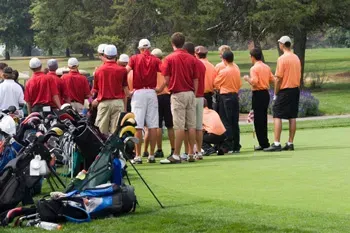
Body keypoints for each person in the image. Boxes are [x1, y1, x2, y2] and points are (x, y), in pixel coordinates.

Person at [158, 32, 199, 164]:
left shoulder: (169, 59)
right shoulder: (192, 58)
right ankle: (192, 153)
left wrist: (171, 87)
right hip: (190, 93)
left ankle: (176, 154)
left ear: (172, 43)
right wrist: (194, 92)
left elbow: (167, 78)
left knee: (179, 126)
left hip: (178, 93)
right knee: (191, 125)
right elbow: (195, 79)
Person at [126, 39, 161, 164]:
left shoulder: (134, 58)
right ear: (150, 48)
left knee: (138, 126)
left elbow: (125, 71)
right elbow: (166, 72)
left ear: (139, 48)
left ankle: (138, 155)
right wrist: (161, 88)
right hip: (151, 92)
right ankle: (151, 155)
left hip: (138, 92)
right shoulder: (156, 60)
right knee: (152, 126)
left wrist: (127, 90)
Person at [264, 36, 301, 152]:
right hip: (295, 90)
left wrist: (275, 93)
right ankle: (290, 143)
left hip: (285, 90)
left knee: (277, 115)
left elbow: (278, 78)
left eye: (279, 43)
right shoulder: (296, 58)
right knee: (292, 116)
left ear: (282, 45)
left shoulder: (282, 59)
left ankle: (276, 143)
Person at [93, 45, 129, 135]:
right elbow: (125, 90)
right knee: (116, 132)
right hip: (118, 102)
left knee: (100, 132)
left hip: (104, 103)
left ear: (104, 55)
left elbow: (95, 90)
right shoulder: (122, 70)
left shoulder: (98, 70)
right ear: (116, 55)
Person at [243, 48, 274, 150]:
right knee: (263, 118)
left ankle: (264, 143)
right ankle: (264, 142)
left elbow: (255, 82)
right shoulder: (266, 67)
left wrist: (247, 79)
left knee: (258, 120)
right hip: (265, 93)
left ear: (252, 57)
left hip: (258, 94)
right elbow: (272, 79)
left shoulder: (254, 68)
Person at [214, 51, 242, 153]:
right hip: (235, 95)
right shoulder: (236, 69)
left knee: (227, 122)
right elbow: (239, 84)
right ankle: (236, 145)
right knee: (235, 122)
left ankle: (229, 145)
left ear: (224, 60)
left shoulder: (224, 71)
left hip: (226, 96)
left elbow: (216, 83)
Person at [150, 48, 175, 158]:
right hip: (167, 95)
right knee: (170, 125)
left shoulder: (152, 67)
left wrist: (159, 88)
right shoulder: (165, 66)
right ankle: (173, 148)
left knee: (158, 125)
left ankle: (159, 149)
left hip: (157, 96)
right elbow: (168, 79)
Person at [183, 42, 205, 161]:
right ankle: (199, 151)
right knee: (198, 126)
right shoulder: (201, 64)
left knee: (188, 127)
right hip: (200, 96)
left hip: (191, 95)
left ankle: (189, 152)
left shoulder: (188, 63)